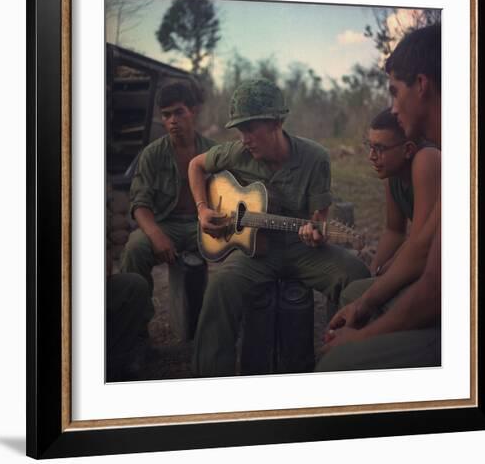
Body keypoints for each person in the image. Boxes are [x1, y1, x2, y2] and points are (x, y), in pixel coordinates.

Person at [188, 78, 370, 377]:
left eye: (250, 128)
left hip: (300, 249)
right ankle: (208, 384)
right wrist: (203, 209)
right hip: (253, 252)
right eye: (240, 130)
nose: (244, 138)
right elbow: (196, 165)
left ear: (277, 122)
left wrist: (315, 233)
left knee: (355, 275)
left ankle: (345, 366)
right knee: (220, 288)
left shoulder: (315, 157)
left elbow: (319, 218)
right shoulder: (236, 152)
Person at [316, 23, 442, 372]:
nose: (393, 107)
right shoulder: (450, 152)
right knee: (358, 295)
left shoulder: (434, 158)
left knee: (337, 364)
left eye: (394, 91)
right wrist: (373, 288)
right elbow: (401, 236)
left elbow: (430, 279)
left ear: (421, 85)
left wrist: (364, 334)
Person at [119, 81, 216, 338]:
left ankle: (224, 326)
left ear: (193, 111)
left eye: (178, 112)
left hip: (203, 225)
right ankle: (135, 334)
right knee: (134, 249)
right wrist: (156, 235)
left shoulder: (213, 152)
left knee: (244, 252)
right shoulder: (152, 154)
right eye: (166, 115)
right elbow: (139, 205)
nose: (172, 120)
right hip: (166, 223)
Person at [338, 108, 440, 310]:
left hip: (436, 266)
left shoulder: (426, 159)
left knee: (355, 296)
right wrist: (375, 272)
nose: (371, 156)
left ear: (408, 149)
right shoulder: (391, 176)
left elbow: (420, 241)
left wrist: (389, 269)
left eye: (380, 148)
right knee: (357, 289)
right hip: (420, 259)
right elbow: (394, 231)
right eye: (370, 146)